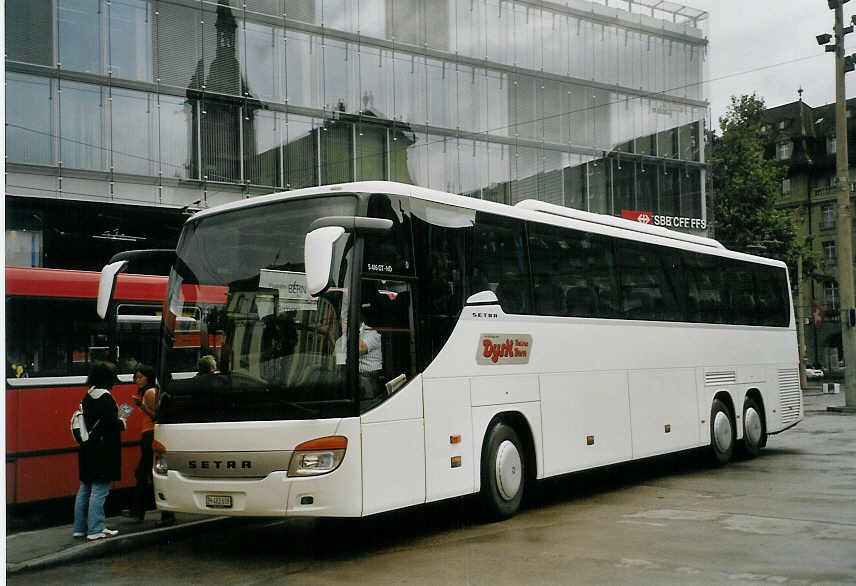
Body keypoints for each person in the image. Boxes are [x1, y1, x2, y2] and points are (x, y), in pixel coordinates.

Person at [73, 362, 128, 541]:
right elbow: (111, 425)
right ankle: (96, 529)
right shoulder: (106, 397)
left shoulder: (87, 396)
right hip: (103, 451)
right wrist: (123, 420)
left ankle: (79, 528)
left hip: (87, 448)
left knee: (84, 488)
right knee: (100, 490)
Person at [129, 363, 175, 526]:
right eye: (136, 377)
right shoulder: (150, 391)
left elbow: (156, 416)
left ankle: (160, 514)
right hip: (149, 435)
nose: (137, 380)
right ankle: (141, 511)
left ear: (148, 377)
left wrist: (140, 405)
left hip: (150, 435)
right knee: (144, 473)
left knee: (146, 474)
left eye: (140, 377)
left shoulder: (150, 392)